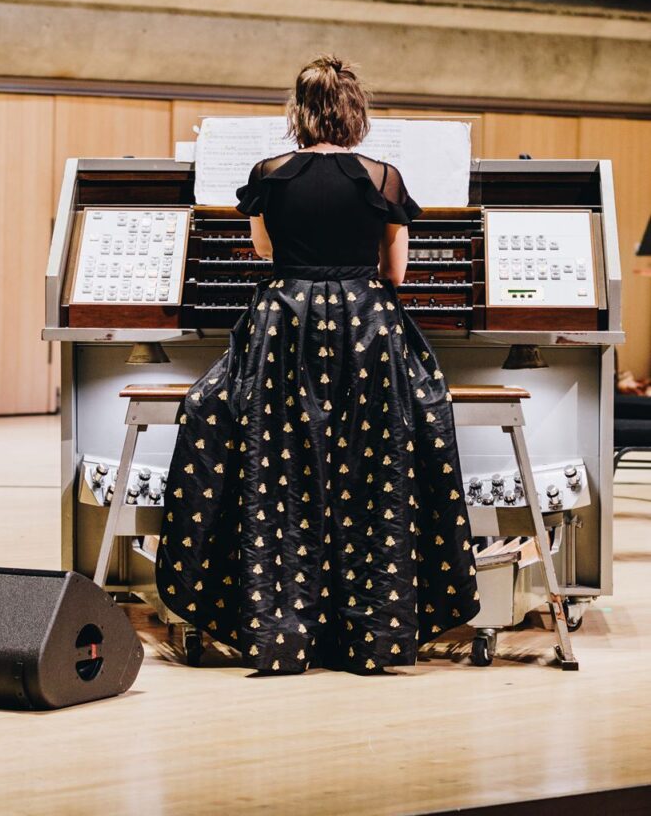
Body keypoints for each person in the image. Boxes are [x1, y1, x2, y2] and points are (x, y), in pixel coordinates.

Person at [155, 54, 480, 675]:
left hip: (286, 325)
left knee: (275, 465)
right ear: (356, 111)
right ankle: (375, 634)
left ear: (298, 114)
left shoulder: (268, 174)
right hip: (366, 331)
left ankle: (280, 629)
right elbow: (396, 273)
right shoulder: (383, 178)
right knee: (372, 468)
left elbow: (264, 250)